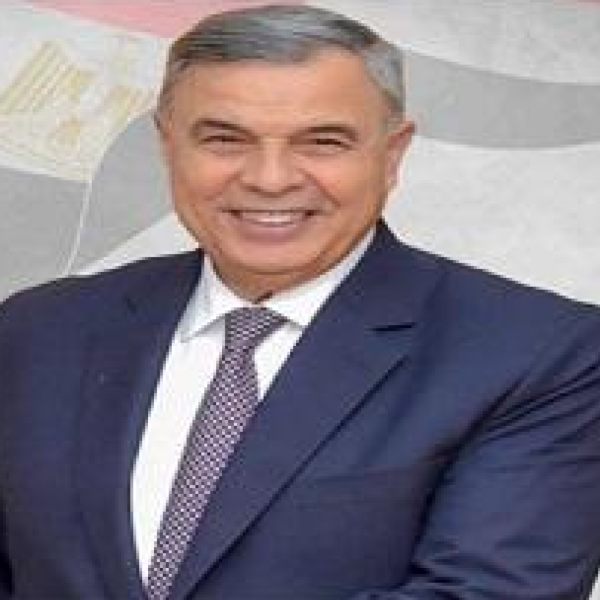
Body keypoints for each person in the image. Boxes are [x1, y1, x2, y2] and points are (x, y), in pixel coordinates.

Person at [1, 4, 600, 599]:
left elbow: (489, 593)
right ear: (167, 145)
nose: (270, 178)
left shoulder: (541, 353)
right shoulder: (37, 330)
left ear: (392, 154)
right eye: (224, 139)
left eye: (323, 142)